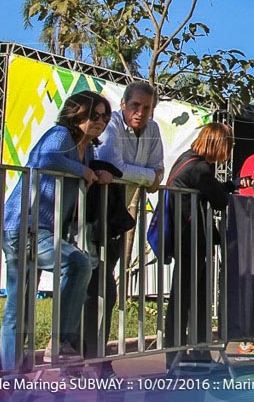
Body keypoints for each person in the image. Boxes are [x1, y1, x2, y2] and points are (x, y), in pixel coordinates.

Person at [0, 90, 114, 371]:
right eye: (93, 115)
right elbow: (42, 158)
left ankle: (15, 376)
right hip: (24, 225)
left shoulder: (88, 150)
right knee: (75, 264)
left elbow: (81, 175)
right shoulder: (61, 134)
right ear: (76, 114)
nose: (99, 122)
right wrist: (80, 170)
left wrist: (94, 174)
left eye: (104, 117)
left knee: (22, 306)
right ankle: (58, 342)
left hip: (43, 229)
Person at [83, 81, 164, 377]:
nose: (141, 113)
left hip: (115, 219)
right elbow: (112, 165)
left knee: (105, 288)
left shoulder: (153, 130)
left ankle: (96, 357)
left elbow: (159, 169)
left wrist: (142, 175)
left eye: (147, 107)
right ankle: (85, 358)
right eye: (136, 106)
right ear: (124, 105)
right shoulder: (112, 124)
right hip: (89, 215)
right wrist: (146, 176)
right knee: (94, 287)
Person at [162, 123, 235, 368]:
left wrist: (229, 186)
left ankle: (192, 354)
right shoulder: (200, 168)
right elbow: (219, 199)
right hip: (189, 239)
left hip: (187, 238)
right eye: (228, 145)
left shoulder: (187, 160)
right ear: (218, 144)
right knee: (185, 300)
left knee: (193, 297)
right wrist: (228, 188)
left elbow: (213, 192)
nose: (229, 151)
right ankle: (179, 356)